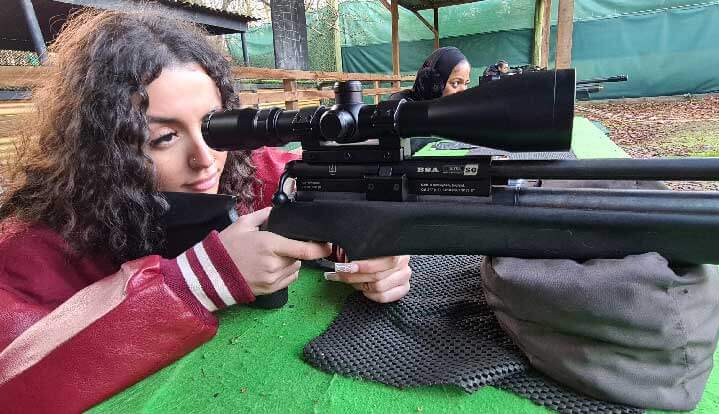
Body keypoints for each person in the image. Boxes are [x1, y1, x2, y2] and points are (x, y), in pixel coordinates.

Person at [0, 10, 411, 412]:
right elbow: (11, 383)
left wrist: (368, 241)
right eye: (163, 138)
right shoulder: (31, 248)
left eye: (215, 126)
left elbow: (327, 188)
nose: (206, 159)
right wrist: (201, 278)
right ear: (100, 150)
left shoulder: (242, 169)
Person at [390, 46, 471, 102]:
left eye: (466, 83)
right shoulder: (400, 110)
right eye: (455, 83)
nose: (464, 91)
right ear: (433, 84)